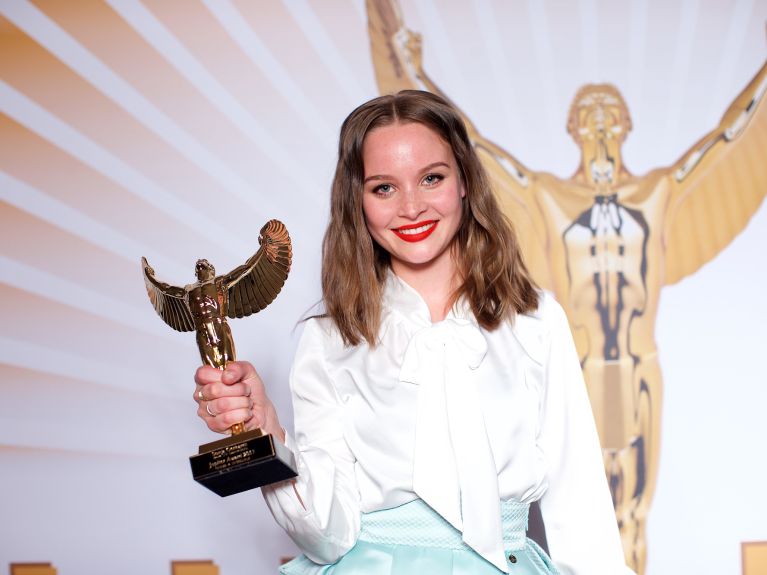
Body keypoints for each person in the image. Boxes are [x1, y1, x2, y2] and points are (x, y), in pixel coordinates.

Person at [193, 90, 634, 574]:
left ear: (464, 180)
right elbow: (325, 536)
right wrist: (265, 429)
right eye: (384, 188)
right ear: (356, 200)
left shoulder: (536, 320)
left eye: (431, 178)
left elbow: (581, 507)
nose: (411, 207)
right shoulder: (329, 339)